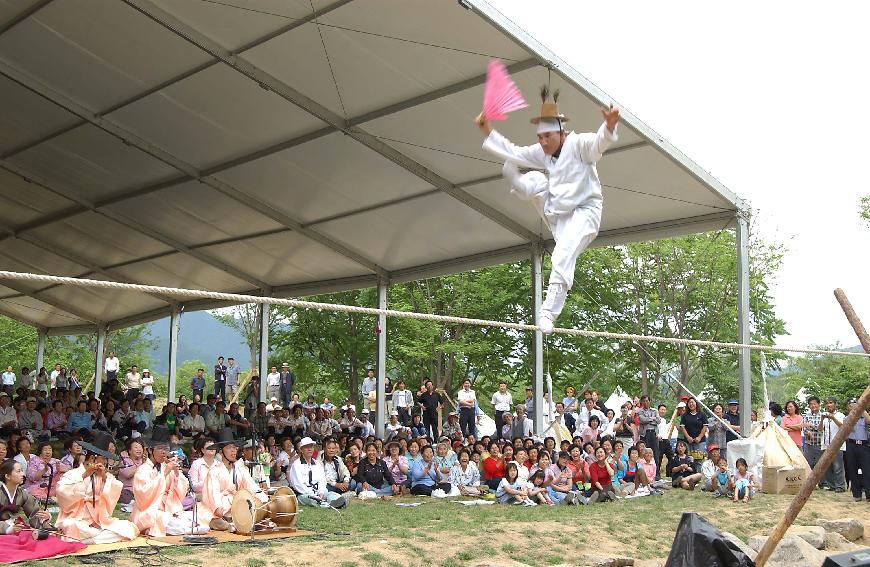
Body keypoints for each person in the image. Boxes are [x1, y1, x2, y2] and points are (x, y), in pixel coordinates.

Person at [477, 88, 619, 332]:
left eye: (548, 137)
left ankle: (548, 314)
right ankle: (520, 185)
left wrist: (608, 127)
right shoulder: (542, 152)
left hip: (585, 213)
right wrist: (486, 129)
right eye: (540, 137)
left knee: (562, 254)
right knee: (535, 179)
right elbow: (514, 151)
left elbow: (598, 144)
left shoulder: (579, 144)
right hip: (558, 214)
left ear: (561, 133)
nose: (543, 143)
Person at [55, 432, 139, 544]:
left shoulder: (104, 475)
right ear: (92, 458)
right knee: (69, 525)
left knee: (129, 527)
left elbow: (117, 487)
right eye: (103, 459)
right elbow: (62, 493)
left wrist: (104, 478)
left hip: (98, 521)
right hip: (77, 519)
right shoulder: (73, 474)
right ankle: (90, 537)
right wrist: (85, 475)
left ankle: (87, 538)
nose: (104, 462)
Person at [131, 427, 205, 536]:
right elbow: (143, 496)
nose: (163, 452)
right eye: (160, 448)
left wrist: (176, 473)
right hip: (149, 510)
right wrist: (164, 473)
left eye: (165, 449)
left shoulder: (166, 467)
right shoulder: (142, 470)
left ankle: (187, 527)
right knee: (164, 519)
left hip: (168, 507)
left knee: (191, 517)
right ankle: (186, 529)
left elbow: (180, 489)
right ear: (150, 450)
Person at [0, 458, 53, 535]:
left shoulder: (22, 493)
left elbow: (34, 512)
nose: (22, 474)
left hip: (18, 528)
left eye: (21, 471)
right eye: (18, 471)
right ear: (7, 476)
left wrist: (44, 517)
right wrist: (8, 529)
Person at [291, 437, 347, 507]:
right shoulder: (296, 465)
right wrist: (313, 494)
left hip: (318, 491)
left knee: (330, 494)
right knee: (310, 499)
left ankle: (336, 501)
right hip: (304, 494)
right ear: (301, 450)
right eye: (306, 447)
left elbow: (322, 480)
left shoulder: (317, 463)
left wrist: (321, 492)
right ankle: (326, 505)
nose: (309, 449)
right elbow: (298, 485)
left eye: (311, 447)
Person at [820, 396, 846, 492]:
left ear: (835, 404)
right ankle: (832, 485)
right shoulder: (825, 416)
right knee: (827, 466)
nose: (828, 405)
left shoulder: (840, 415)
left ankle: (840, 486)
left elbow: (843, 427)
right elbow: (819, 429)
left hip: (837, 445)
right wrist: (822, 419)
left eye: (830, 403)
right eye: (827, 403)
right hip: (826, 444)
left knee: (838, 466)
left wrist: (833, 418)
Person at [801, 396, 824, 479]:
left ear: (818, 404)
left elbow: (821, 429)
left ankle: (822, 483)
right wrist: (808, 432)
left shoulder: (823, 415)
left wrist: (811, 426)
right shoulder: (806, 415)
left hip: (820, 444)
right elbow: (804, 427)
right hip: (808, 444)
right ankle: (807, 481)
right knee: (807, 464)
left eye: (814, 404)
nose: (813, 406)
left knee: (820, 465)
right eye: (811, 404)